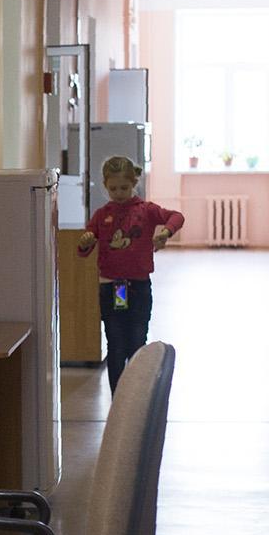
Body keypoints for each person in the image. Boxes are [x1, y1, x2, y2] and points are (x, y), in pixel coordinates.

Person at [76, 156, 186, 391]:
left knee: (137, 342)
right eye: (113, 188)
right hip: (113, 286)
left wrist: (165, 232)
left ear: (134, 183)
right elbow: (83, 249)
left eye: (124, 188)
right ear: (105, 186)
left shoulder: (146, 210)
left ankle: (136, 394)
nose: (119, 193)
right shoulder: (102, 215)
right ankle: (118, 398)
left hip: (138, 286)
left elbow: (176, 216)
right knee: (116, 343)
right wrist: (85, 242)